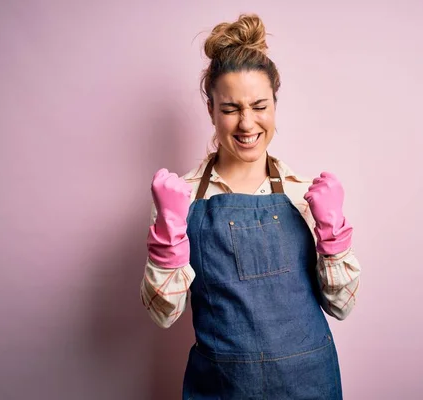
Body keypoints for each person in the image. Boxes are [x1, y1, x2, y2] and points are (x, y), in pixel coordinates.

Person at [140, 14, 361, 399]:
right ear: (210, 110)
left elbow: (341, 306)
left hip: (309, 384)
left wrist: (334, 233)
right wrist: (168, 235)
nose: (247, 123)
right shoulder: (183, 199)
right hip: (222, 389)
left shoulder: (304, 195)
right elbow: (164, 314)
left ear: (275, 105)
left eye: (259, 106)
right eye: (230, 109)